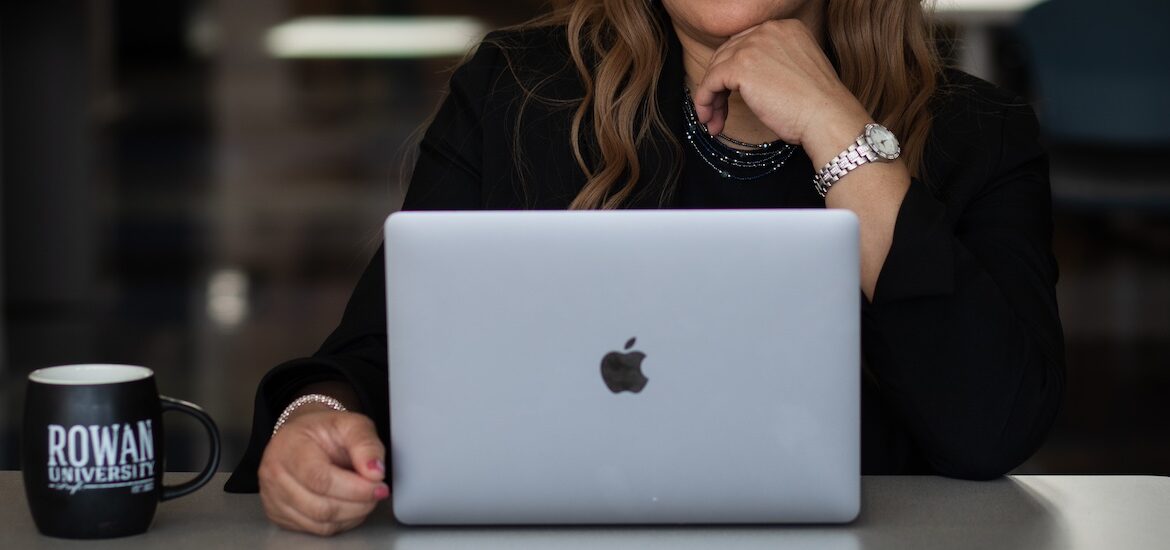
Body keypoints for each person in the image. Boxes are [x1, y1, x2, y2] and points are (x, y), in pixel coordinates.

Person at [224, 0, 1065, 536]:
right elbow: (370, 360)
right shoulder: (517, 93)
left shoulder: (976, 133)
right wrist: (312, 416)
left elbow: (992, 425)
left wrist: (836, 131)